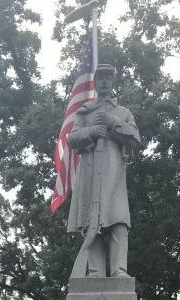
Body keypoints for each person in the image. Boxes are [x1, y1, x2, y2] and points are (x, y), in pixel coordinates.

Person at [67, 63, 141, 278]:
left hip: (114, 176)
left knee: (119, 222)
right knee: (92, 224)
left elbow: (135, 139)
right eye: (100, 78)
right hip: (90, 174)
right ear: (95, 83)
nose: (104, 82)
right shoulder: (85, 112)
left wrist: (112, 123)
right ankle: (95, 273)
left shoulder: (123, 112)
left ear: (113, 82)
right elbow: (72, 138)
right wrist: (91, 131)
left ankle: (119, 271)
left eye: (108, 78)